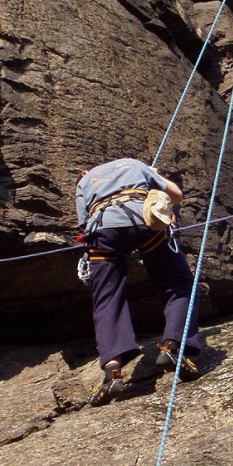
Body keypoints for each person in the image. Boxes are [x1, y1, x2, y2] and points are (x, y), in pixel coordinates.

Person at [75, 157, 202, 407]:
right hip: (142, 221)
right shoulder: (131, 164)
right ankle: (172, 348)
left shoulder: (84, 181)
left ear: (85, 170)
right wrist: (156, 176)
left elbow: (81, 223)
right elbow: (176, 195)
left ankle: (112, 372)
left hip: (102, 230)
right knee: (178, 283)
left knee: (107, 300)